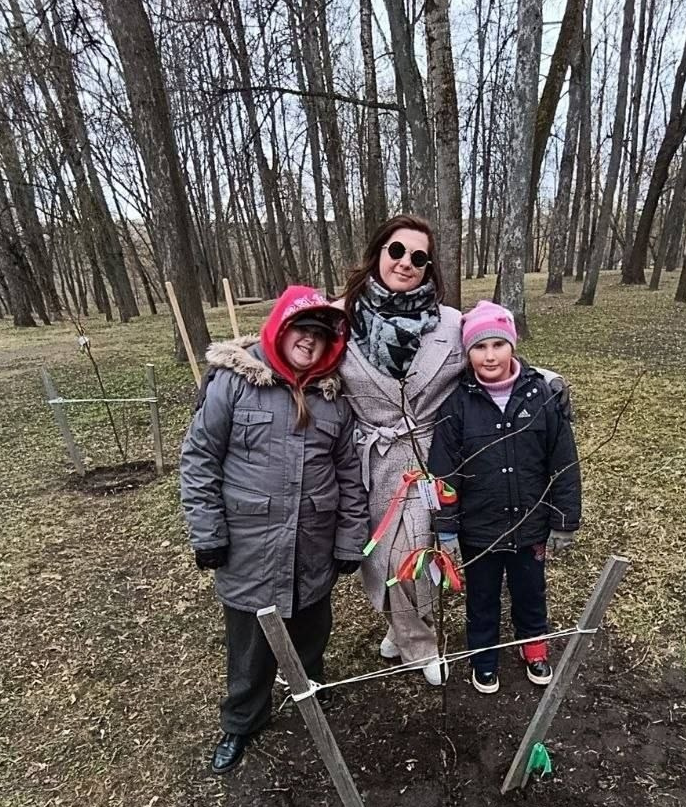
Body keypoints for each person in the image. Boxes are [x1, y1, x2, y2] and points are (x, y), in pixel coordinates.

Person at [180, 286, 368, 772]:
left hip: (312, 547)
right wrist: (208, 533)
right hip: (248, 547)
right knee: (249, 646)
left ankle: (310, 693)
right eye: (303, 329)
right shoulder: (233, 381)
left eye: (322, 334)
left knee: (311, 630)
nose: (310, 340)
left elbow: (350, 474)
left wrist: (350, 539)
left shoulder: (332, 394)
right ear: (282, 327)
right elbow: (200, 460)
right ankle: (242, 720)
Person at [427, 301, 582, 694]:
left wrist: (564, 520)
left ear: (512, 345)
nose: (490, 355)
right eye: (479, 347)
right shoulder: (456, 407)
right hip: (480, 529)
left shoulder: (542, 397)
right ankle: (484, 657)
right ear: (468, 354)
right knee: (482, 597)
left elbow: (563, 462)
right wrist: (446, 528)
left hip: (531, 525)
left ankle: (533, 648)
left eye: (498, 344)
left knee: (531, 592)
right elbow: (443, 474)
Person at [337, 215, 465, 684]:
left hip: (429, 455)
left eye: (418, 257)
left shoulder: (451, 323)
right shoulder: (341, 316)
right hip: (367, 459)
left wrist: (546, 383)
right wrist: (242, 366)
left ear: (429, 268)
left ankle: (417, 642)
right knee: (382, 556)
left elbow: (497, 356)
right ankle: (404, 630)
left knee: (414, 552)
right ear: (378, 252)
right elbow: (294, 349)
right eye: (396, 251)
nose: (405, 263)